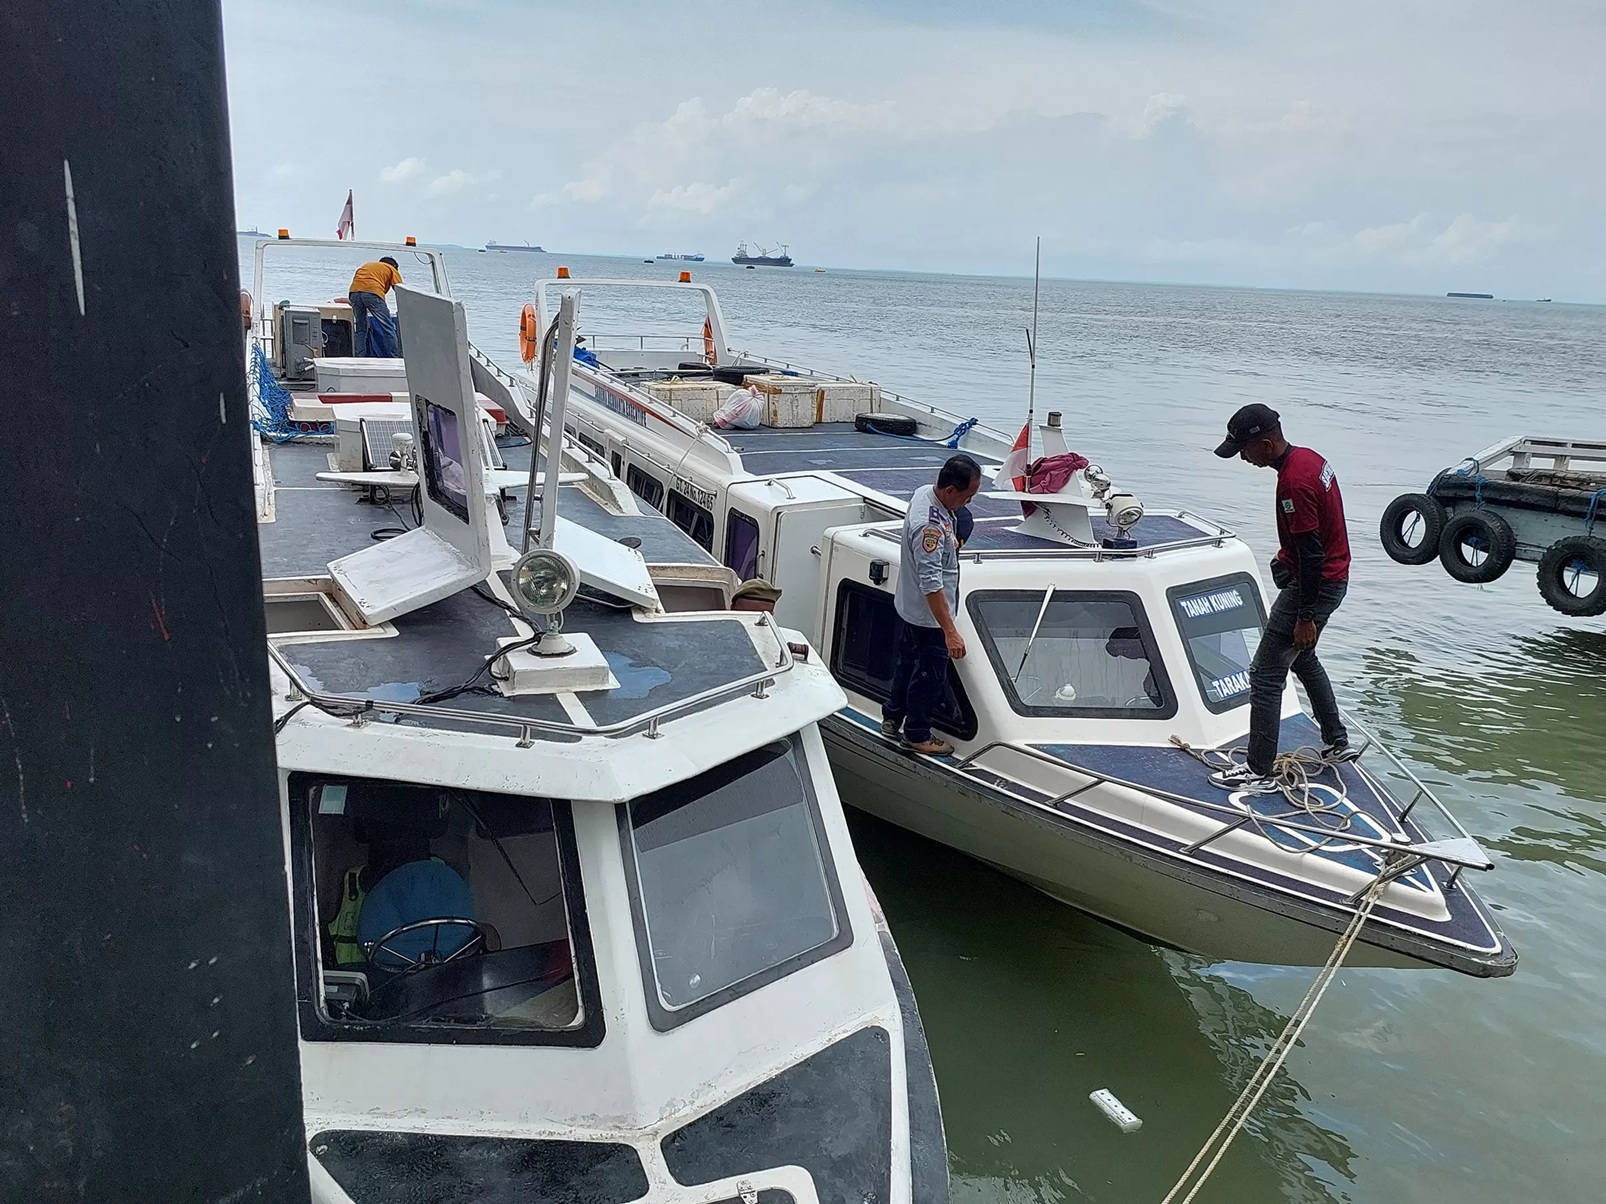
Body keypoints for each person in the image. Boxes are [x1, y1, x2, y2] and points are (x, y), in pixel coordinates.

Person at [1210, 403, 1354, 792]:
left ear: (1267, 443)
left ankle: (1258, 771)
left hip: (1315, 584)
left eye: (1245, 449)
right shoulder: (1309, 459)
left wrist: (1304, 614)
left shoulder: (1294, 483)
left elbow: (1312, 554)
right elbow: (1313, 541)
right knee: (1303, 657)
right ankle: (1336, 741)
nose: (1242, 457)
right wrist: (1283, 558)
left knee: (1265, 674)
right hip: (1333, 578)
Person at [881, 455, 983, 755]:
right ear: (951, 491)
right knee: (928, 675)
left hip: (909, 608)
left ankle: (892, 717)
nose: (968, 502)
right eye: (967, 496)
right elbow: (932, 585)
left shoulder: (924, 492)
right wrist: (949, 630)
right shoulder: (930, 530)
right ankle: (916, 733)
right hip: (929, 619)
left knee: (905, 663)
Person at [348, 256, 402, 357]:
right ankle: (395, 357)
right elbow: (400, 290)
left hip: (354, 292)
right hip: (372, 293)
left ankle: (359, 357)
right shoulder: (391, 269)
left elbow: (359, 282)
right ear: (394, 266)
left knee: (360, 328)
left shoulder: (367, 265)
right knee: (388, 326)